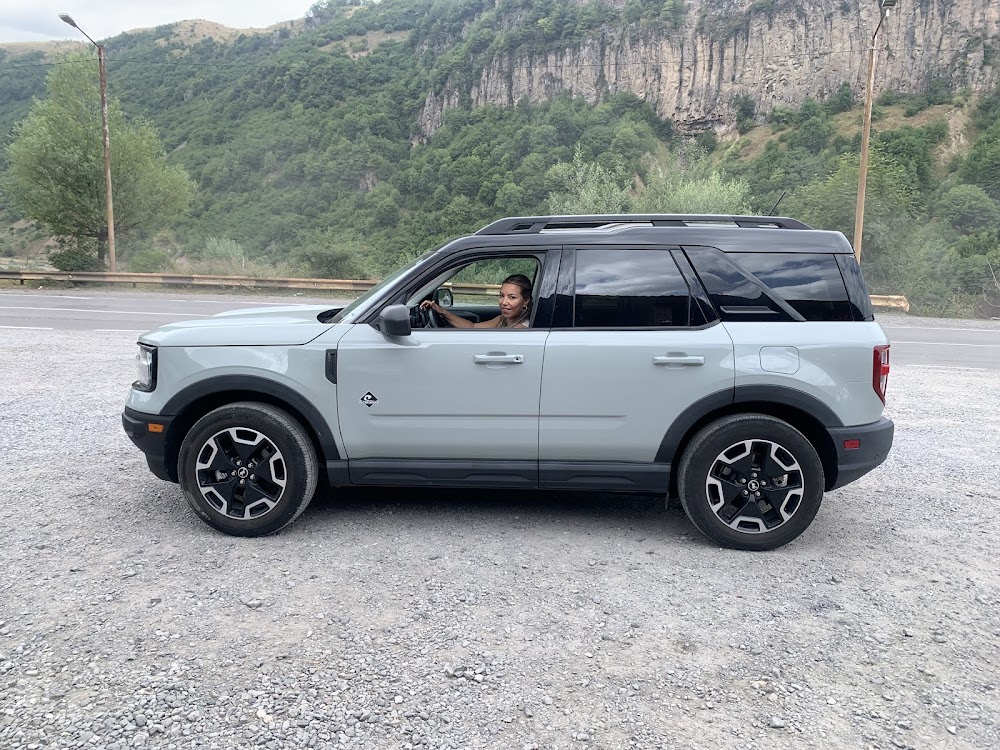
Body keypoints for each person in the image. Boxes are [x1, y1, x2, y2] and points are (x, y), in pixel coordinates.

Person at [421, 273, 532, 329]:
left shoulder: (521, 329)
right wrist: (442, 311)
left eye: (512, 297)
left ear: (525, 301)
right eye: (502, 296)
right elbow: (472, 327)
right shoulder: (504, 319)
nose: (504, 302)